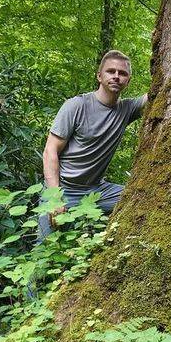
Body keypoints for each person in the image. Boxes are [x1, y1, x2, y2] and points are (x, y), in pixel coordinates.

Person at [38, 50, 147, 239]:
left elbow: (158, 91)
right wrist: (55, 197)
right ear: (99, 75)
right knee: (46, 250)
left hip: (97, 191)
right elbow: (50, 151)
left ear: (128, 80)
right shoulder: (76, 106)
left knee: (141, 198)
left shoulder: (127, 109)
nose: (116, 76)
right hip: (64, 189)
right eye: (110, 71)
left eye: (122, 73)